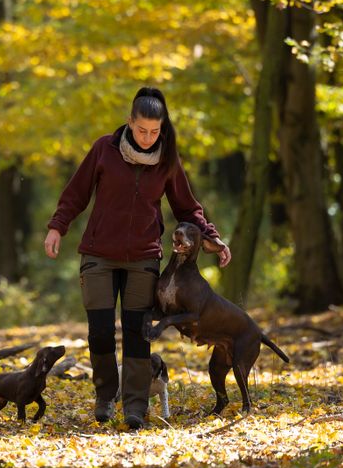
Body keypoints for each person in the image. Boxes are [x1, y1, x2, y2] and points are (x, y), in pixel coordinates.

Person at [44, 87, 230, 429]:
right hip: (98, 254)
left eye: (154, 131)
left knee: (137, 332)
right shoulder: (105, 149)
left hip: (143, 257)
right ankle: (105, 396)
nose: (147, 138)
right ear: (130, 122)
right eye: (142, 130)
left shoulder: (167, 159)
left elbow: (187, 206)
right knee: (100, 332)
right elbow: (76, 193)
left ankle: (134, 405)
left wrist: (212, 236)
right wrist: (57, 227)